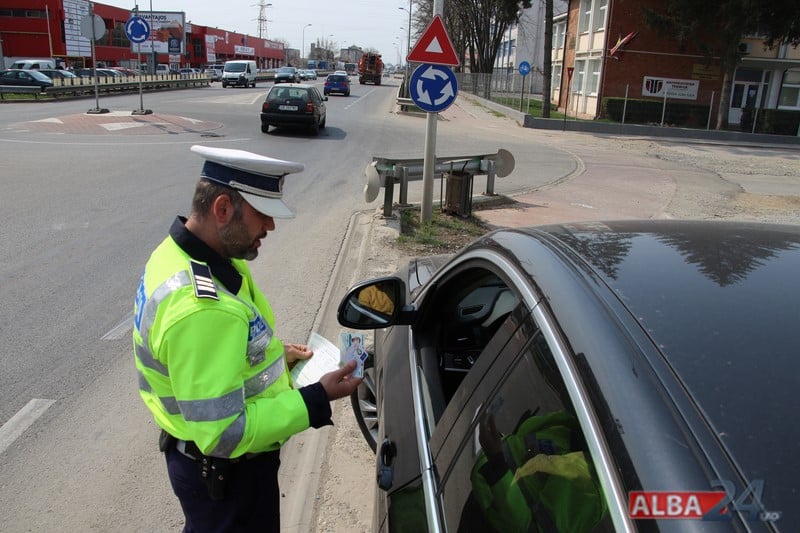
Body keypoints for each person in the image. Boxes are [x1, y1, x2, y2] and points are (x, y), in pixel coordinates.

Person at [133, 145, 362, 532]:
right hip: (229, 476)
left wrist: (278, 356)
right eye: (263, 215)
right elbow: (224, 433)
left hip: (203, 466)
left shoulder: (180, 254)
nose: (270, 227)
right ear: (222, 209)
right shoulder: (203, 307)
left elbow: (227, 351)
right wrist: (316, 398)